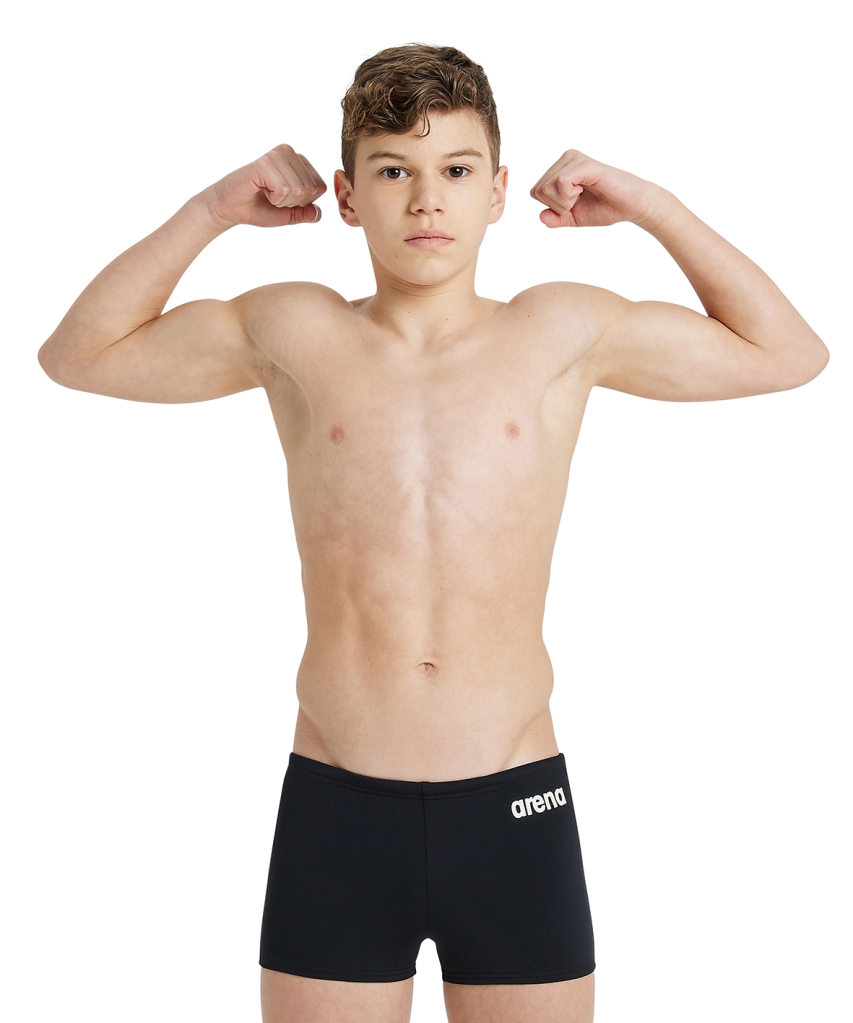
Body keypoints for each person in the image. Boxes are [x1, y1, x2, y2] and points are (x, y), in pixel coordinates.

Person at [37, 41, 829, 1023]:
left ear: (496, 192)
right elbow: (78, 355)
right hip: (338, 804)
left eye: (455, 170)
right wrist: (210, 211)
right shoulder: (296, 330)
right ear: (345, 194)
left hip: (513, 801)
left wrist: (651, 206)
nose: (425, 201)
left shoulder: (558, 330)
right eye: (392, 172)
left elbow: (787, 353)